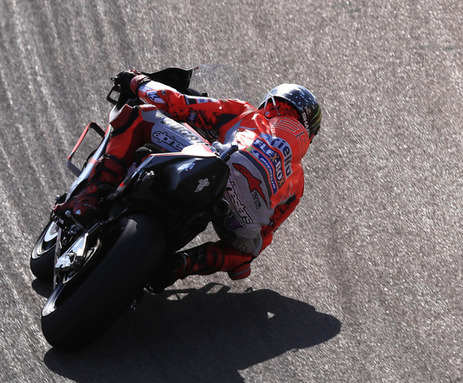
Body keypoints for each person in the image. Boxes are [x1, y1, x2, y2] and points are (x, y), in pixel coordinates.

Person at [55, 69, 321, 289]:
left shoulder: (249, 114)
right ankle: (182, 264)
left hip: (221, 165)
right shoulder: (297, 181)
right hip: (246, 217)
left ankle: (89, 198)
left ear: (272, 103)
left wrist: (137, 81)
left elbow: (176, 104)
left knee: (138, 115)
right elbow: (264, 236)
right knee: (248, 250)